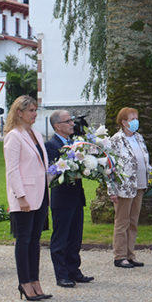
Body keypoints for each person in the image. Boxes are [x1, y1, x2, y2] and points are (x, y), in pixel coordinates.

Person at [4, 96, 52, 301]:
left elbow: (41, 164)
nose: (34, 114)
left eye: (35, 110)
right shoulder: (14, 136)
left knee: (35, 240)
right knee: (23, 241)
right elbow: (12, 170)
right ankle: (24, 282)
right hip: (24, 196)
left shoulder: (37, 135)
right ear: (19, 112)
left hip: (40, 194)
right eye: (30, 110)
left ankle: (35, 280)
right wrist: (21, 196)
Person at [46, 110, 94, 287]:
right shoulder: (51, 145)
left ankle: (74, 270)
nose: (72, 124)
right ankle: (61, 274)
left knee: (75, 236)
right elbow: (53, 169)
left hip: (76, 195)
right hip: (61, 196)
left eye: (72, 121)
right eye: (68, 121)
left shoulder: (75, 142)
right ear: (58, 125)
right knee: (61, 237)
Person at [108, 107, 150, 269]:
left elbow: (144, 159)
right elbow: (109, 166)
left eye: (136, 118)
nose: (135, 122)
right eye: (132, 119)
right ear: (124, 122)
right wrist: (112, 190)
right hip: (123, 187)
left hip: (139, 185)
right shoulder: (116, 140)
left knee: (133, 221)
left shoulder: (139, 137)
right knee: (122, 222)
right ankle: (119, 256)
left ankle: (130, 254)